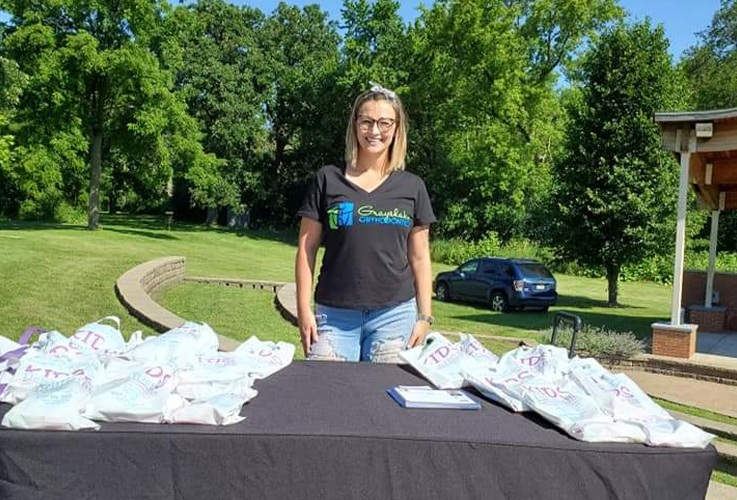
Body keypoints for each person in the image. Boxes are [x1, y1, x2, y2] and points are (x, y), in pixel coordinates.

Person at [294, 83, 436, 363]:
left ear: (396, 128)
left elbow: (420, 257)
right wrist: (303, 310)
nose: (374, 131)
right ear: (355, 125)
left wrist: (424, 316)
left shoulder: (412, 186)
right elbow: (306, 249)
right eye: (366, 122)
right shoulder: (328, 179)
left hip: (395, 315)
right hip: (334, 315)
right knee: (325, 396)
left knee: (386, 401)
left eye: (384, 123)